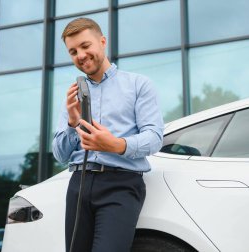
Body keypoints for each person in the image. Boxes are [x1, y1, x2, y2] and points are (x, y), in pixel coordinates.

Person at [52, 17, 164, 252]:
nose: (80, 55)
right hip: (78, 185)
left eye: (85, 46)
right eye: (73, 51)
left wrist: (115, 144)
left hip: (120, 184)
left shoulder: (139, 85)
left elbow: (154, 137)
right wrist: (73, 123)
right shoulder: (72, 96)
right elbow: (60, 155)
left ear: (102, 42)